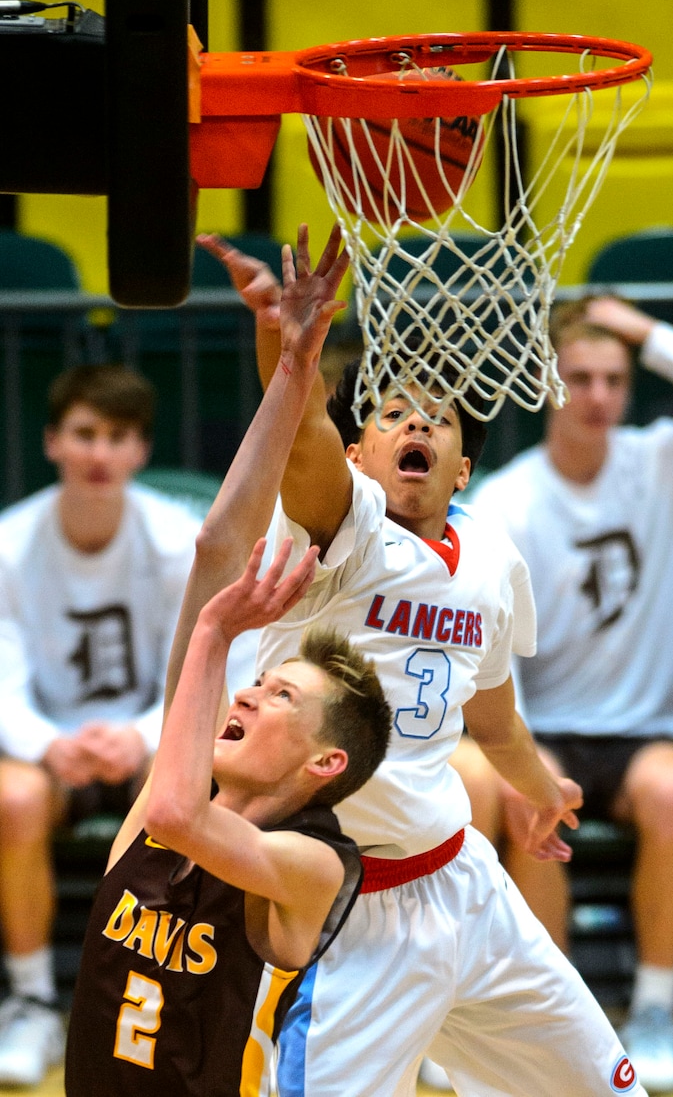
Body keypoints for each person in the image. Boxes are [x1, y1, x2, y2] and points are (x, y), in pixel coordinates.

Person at [197, 223, 649, 1097]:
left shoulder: (492, 562)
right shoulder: (345, 529)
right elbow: (298, 441)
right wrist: (289, 347)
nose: (418, 424)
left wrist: (541, 787)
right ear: (361, 454)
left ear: (463, 469)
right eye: (394, 414)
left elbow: (494, 718)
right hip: (339, 905)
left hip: (462, 883)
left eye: (437, 419)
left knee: (604, 1089)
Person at [64, 255, 392, 1096]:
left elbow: (178, 813)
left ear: (326, 762)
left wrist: (215, 634)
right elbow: (217, 548)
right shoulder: (169, 805)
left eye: (283, 694)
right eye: (262, 680)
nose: (250, 690)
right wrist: (292, 369)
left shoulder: (313, 866)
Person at [463, 294, 673, 1094]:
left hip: (652, 726)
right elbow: (495, 652)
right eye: (581, 377)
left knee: (670, 794)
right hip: (548, 722)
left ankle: (658, 1010)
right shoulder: (507, 499)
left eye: (615, 378)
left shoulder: (664, 461)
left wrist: (643, 331)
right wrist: (522, 762)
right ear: (548, 385)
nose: (599, 395)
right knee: (535, 801)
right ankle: (560, 1015)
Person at [0, 363, 203, 1087]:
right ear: (52, 441)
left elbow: (201, 668)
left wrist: (144, 737)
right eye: (84, 434)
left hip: (147, 743)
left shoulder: (178, 539)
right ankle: (29, 1000)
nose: (99, 454)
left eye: (118, 437)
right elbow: (2, 680)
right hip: (49, 751)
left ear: (141, 451)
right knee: (12, 798)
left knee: (186, 790)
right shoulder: (9, 544)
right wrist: (47, 745)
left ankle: (168, 997)